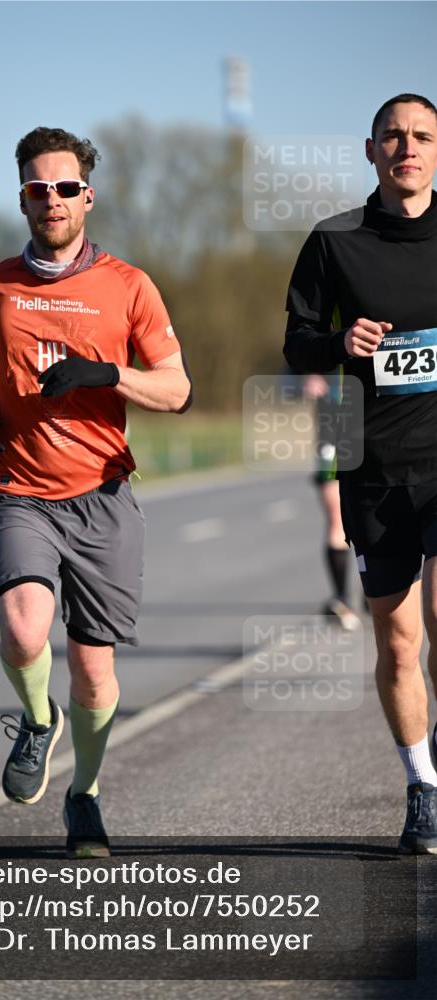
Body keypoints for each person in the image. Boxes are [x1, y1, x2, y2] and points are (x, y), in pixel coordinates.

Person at [0, 127, 191, 858]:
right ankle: (34, 719)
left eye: (63, 187)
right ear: (21, 196)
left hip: (102, 495)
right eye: (36, 187)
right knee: (24, 630)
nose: (50, 199)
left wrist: (106, 373)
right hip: (21, 490)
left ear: (87, 196)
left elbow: (178, 388)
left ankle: (83, 794)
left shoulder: (128, 286)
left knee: (94, 672)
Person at [284, 94, 437, 854]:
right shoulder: (332, 240)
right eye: (392, 136)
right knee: (400, 644)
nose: (406, 147)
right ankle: (422, 786)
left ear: (436, 150)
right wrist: (341, 342)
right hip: (374, 465)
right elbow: (296, 344)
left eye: (420, 137)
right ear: (369, 149)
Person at [303, 370, 360, 631]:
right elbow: (289, 372)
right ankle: (343, 600)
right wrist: (304, 379)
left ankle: (378, 590)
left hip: (376, 438)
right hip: (333, 442)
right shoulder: (319, 334)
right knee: (337, 522)